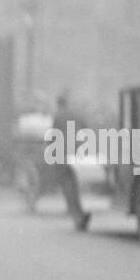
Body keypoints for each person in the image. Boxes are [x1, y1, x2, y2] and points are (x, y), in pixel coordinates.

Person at [52, 91, 91, 231]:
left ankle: (77, 215)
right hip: (80, 151)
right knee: (80, 184)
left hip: (64, 154)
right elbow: (87, 130)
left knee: (68, 185)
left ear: (58, 103)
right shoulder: (77, 114)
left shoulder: (58, 116)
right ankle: (84, 210)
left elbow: (54, 135)